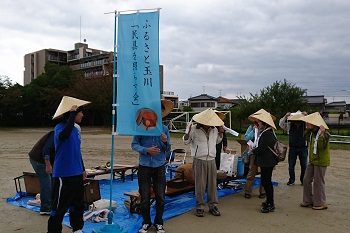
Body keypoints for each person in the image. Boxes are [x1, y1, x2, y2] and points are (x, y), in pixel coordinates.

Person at [48, 96, 90, 233]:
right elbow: (64, 136)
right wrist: (71, 114)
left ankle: (77, 228)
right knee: (59, 206)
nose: (82, 115)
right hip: (63, 175)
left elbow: (77, 151)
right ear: (72, 114)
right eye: (80, 112)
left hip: (77, 173)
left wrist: (83, 169)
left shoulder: (77, 129)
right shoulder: (59, 128)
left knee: (78, 204)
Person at [131, 99, 174, 233]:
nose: (159, 113)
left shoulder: (164, 129)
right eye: (157, 111)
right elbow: (134, 145)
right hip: (144, 166)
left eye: (161, 111)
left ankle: (159, 223)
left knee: (161, 196)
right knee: (145, 197)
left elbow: (168, 150)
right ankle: (146, 222)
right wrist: (146, 150)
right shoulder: (142, 127)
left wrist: (165, 142)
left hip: (160, 166)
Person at [183, 108, 224, 217]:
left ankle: (213, 205)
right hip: (199, 159)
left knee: (212, 184)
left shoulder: (214, 130)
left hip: (211, 159)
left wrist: (221, 133)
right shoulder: (194, 129)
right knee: (200, 185)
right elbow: (186, 141)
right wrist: (187, 134)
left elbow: (217, 141)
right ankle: (200, 206)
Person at [248, 109, 278, 213]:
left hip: (267, 161)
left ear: (264, 123)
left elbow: (261, 148)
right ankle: (269, 201)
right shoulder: (266, 132)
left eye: (259, 122)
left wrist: (253, 150)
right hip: (267, 161)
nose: (258, 124)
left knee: (267, 182)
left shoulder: (267, 134)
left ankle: (271, 203)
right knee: (265, 181)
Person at [299, 112, 330, 210]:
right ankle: (308, 199)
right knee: (306, 179)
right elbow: (306, 137)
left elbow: (321, 147)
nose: (307, 124)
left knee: (318, 182)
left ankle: (321, 202)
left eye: (309, 122)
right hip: (312, 160)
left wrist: (322, 135)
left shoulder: (325, 134)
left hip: (321, 161)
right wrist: (308, 129)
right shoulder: (311, 133)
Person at [28, 130, 55, 215]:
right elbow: (46, 151)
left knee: (53, 180)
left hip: (48, 161)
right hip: (38, 160)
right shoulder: (55, 134)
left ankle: (52, 202)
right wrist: (48, 165)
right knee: (46, 183)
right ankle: (46, 208)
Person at [279, 111, 308, 186]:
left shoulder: (306, 125)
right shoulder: (289, 125)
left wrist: (307, 116)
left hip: (303, 147)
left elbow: (313, 123)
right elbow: (281, 124)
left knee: (304, 165)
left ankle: (303, 180)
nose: (297, 122)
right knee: (291, 165)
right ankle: (292, 180)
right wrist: (285, 116)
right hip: (293, 147)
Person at [243, 122, 266, 199]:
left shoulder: (268, 128)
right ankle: (248, 191)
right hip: (253, 152)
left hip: (263, 153)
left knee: (264, 172)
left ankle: (262, 191)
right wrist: (253, 131)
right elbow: (246, 138)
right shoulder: (252, 127)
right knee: (251, 171)